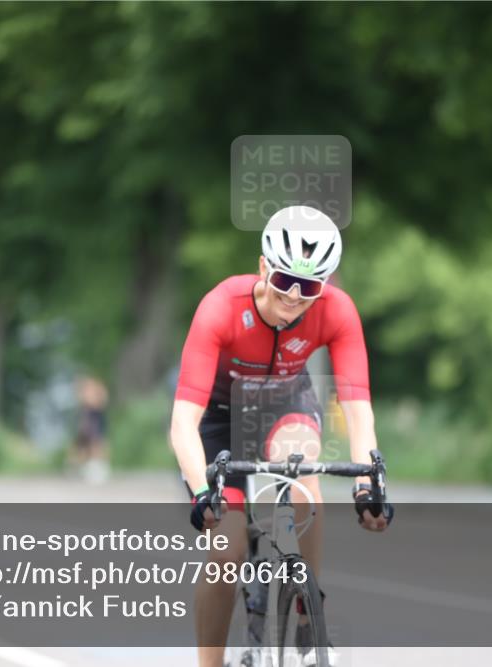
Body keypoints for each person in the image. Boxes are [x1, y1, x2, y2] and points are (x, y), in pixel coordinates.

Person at [169, 205, 393, 667]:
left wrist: (367, 483)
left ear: (325, 286)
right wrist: (201, 492)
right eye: (283, 280)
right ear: (262, 267)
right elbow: (182, 422)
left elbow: (357, 407)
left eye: (309, 286)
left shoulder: (337, 312)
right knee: (226, 548)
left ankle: (308, 610)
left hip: (285, 406)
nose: (293, 296)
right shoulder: (220, 308)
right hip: (219, 418)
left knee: (301, 467)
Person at [74, 375, 110, 483]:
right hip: (88, 418)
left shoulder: (97, 391)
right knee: (83, 445)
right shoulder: (86, 393)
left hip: (95, 418)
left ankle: (98, 467)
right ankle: (82, 468)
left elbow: (101, 402)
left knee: (97, 443)